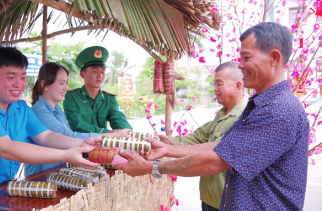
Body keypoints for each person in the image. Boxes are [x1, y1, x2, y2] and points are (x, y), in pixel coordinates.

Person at [115, 22, 309, 210]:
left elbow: (215, 162)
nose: (240, 66)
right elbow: (222, 147)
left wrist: (152, 167)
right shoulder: (263, 105)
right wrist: (167, 149)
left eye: (246, 57)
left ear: (274, 58)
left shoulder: (278, 111)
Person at [0, 46, 101, 202]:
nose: (19, 84)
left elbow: (46, 136)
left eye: (22, 77)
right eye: (11, 77)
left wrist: (81, 142)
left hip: (5, 189)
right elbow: (6, 148)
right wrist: (65, 155)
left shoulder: (21, 108)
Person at [161, 61, 247, 211]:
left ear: (238, 86)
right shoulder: (223, 113)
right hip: (210, 198)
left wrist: (157, 163)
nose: (215, 89)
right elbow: (198, 138)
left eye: (219, 84)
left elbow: (213, 157)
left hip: (228, 202)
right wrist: (170, 142)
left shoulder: (244, 117)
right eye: (214, 84)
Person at [26, 62, 131, 176]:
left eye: (66, 83)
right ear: (45, 85)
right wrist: (110, 135)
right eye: (61, 83)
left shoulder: (57, 110)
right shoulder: (40, 112)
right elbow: (69, 136)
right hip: (40, 176)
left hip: (57, 172)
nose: (66, 88)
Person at [63, 46, 133, 133]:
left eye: (102, 72)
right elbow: (77, 125)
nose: (100, 76)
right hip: (81, 144)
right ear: (82, 75)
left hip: (104, 144)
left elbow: (117, 118)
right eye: (95, 71)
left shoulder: (109, 99)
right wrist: (108, 133)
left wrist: (126, 131)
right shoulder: (71, 97)